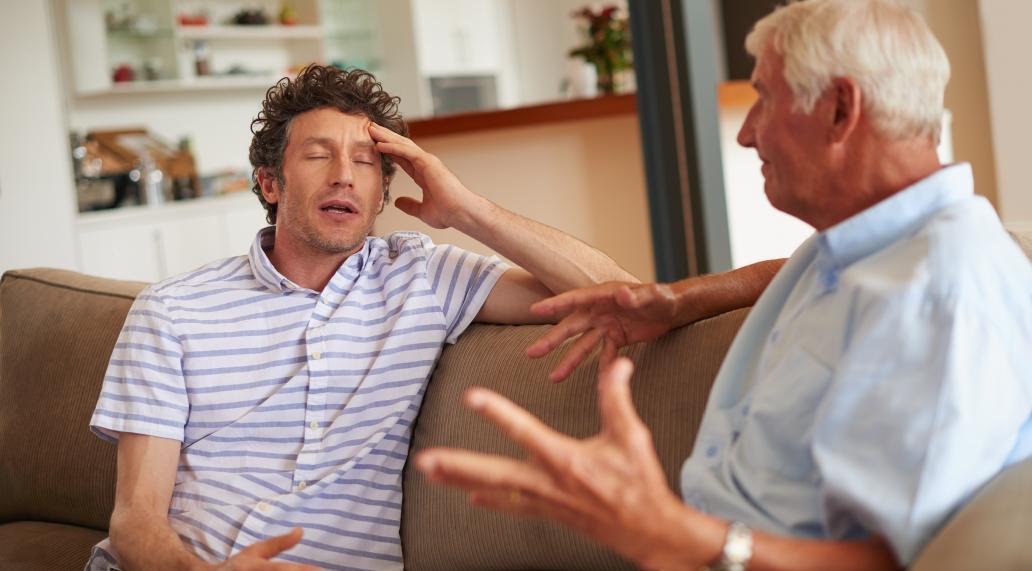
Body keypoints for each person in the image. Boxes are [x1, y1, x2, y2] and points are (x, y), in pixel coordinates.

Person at [415, 1, 1032, 569]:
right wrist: (678, 301)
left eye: (765, 97)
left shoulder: (941, 293)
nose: (746, 131)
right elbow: (792, 272)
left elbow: (891, 563)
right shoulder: (867, 251)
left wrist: (675, 532)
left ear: (840, 110)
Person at [85, 64, 684, 571]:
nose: (344, 174)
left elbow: (622, 296)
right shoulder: (172, 309)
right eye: (318, 155)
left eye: (366, 162)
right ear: (270, 183)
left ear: (381, 193)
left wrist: (466, 209)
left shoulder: (421, 276)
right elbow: (135, 521)